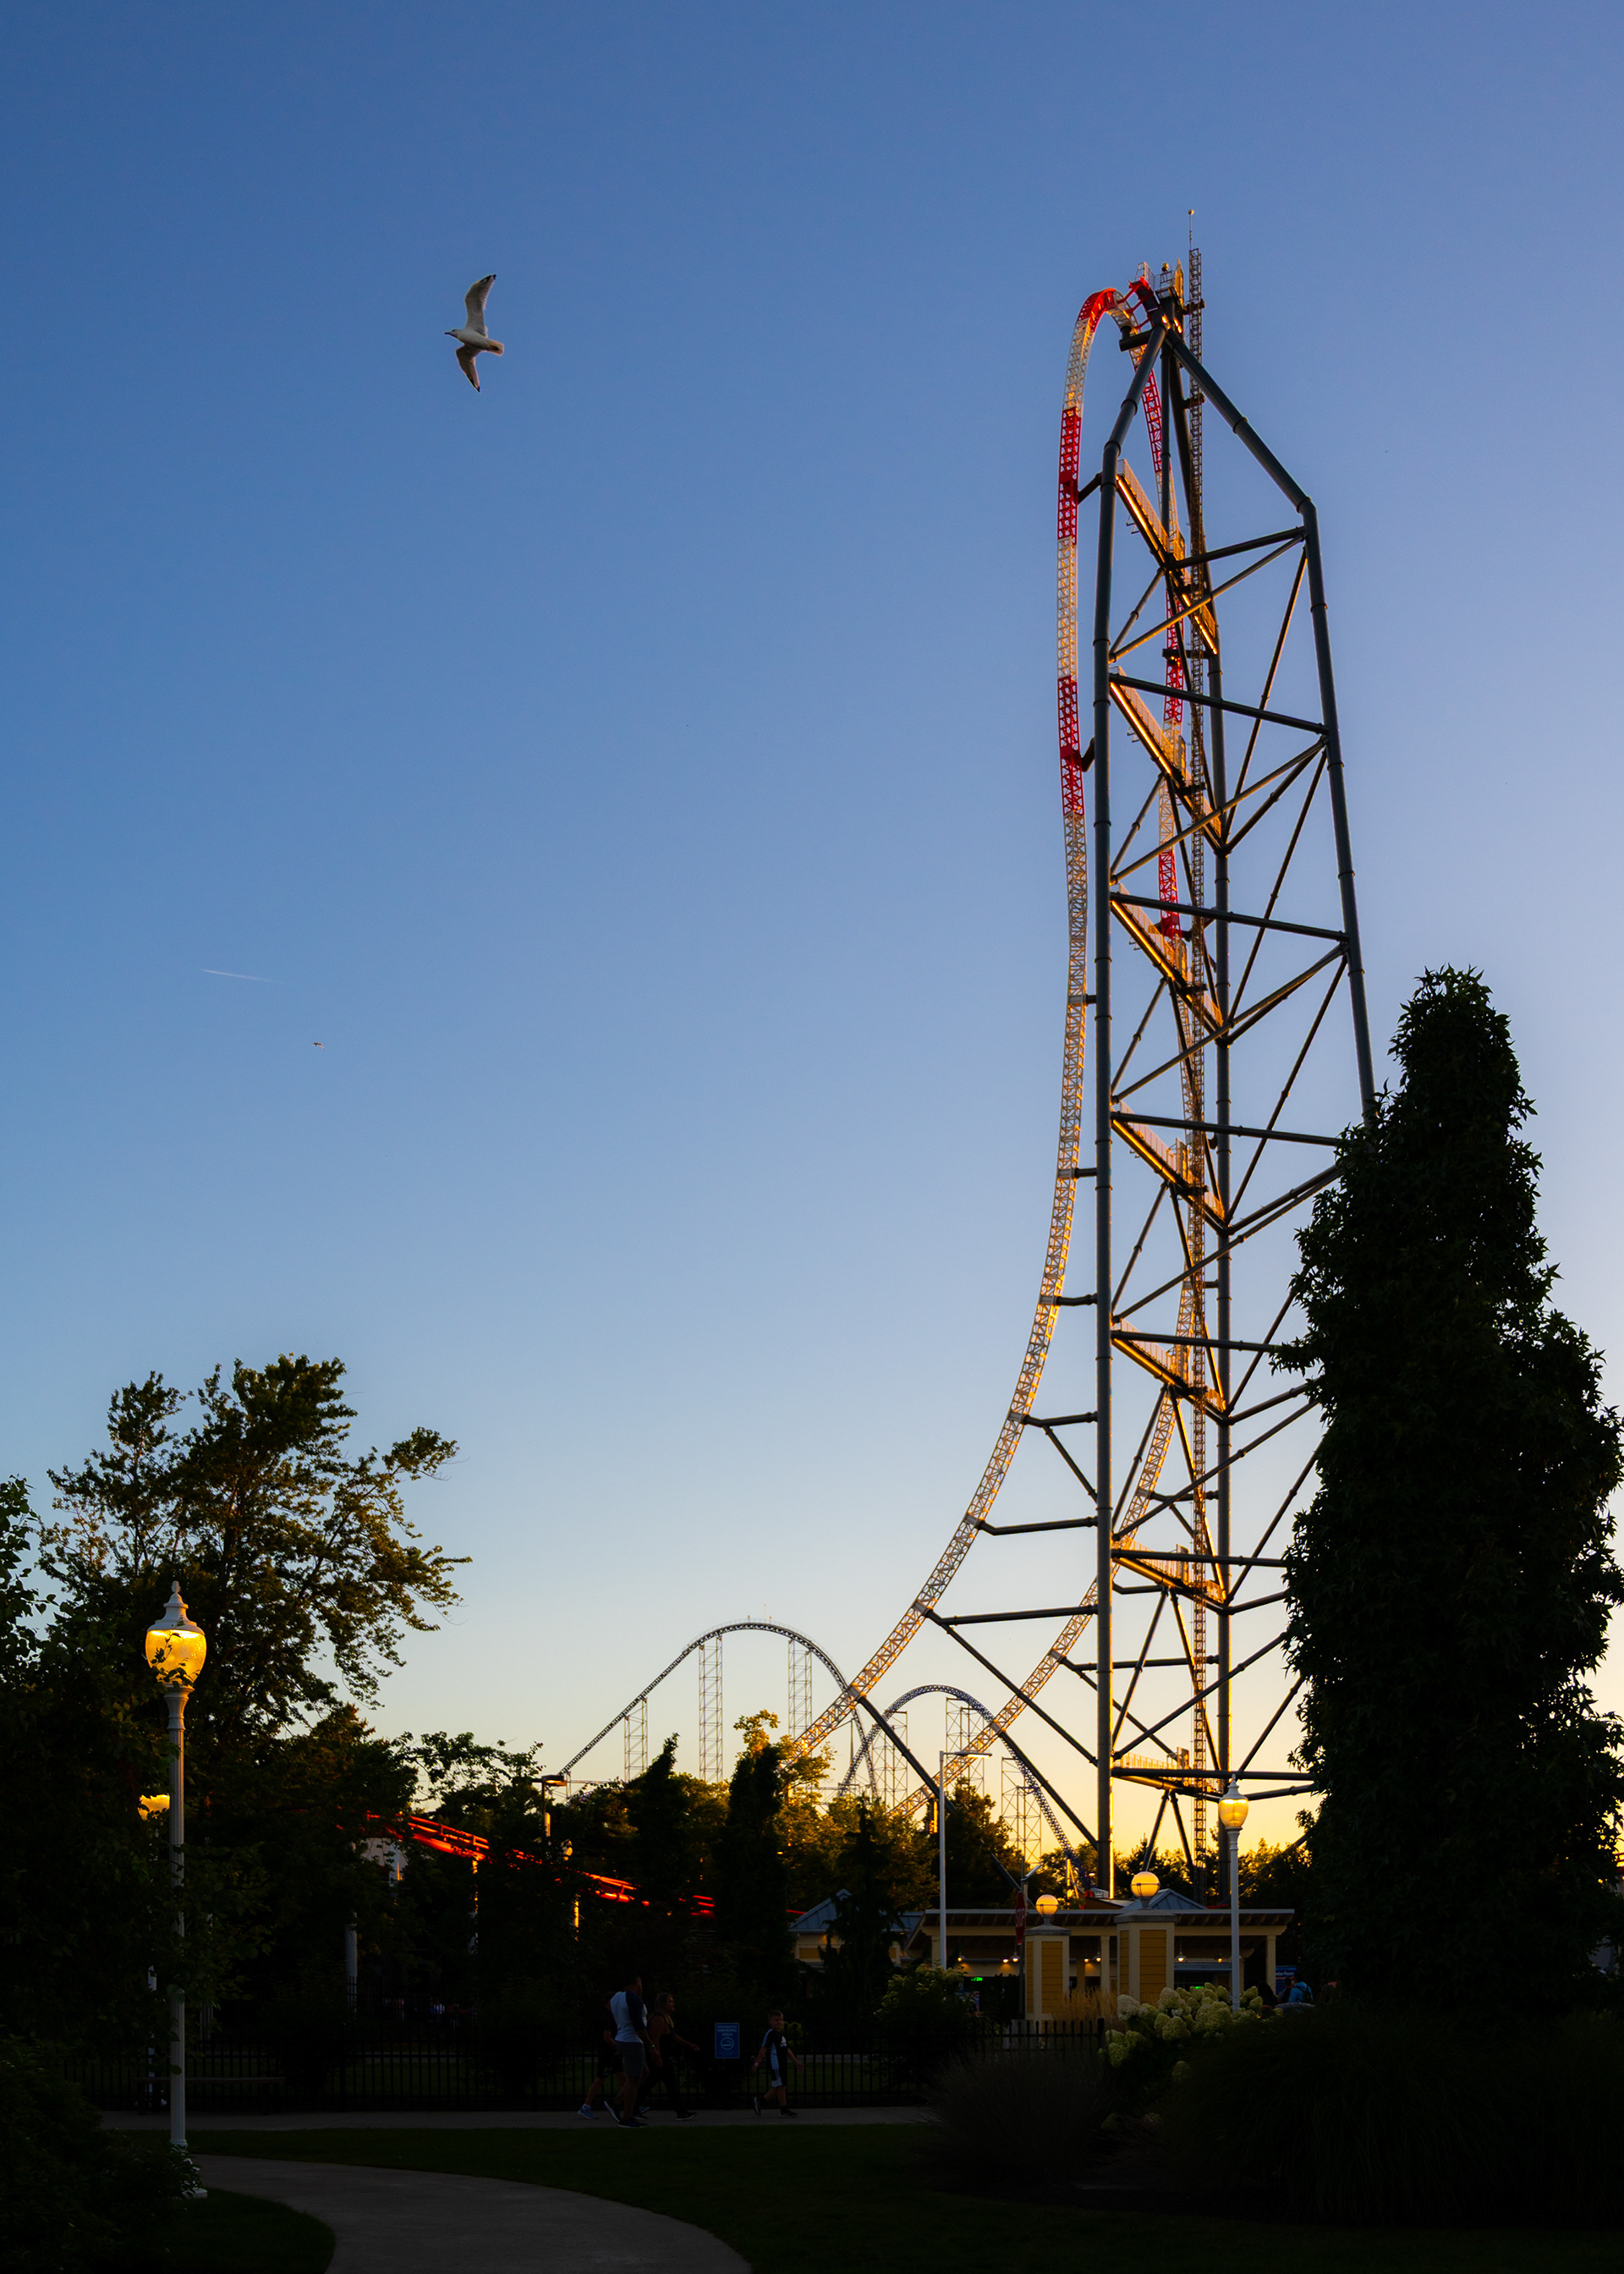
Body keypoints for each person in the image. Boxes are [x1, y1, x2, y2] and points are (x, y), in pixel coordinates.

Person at [607, 1968, 655, 2127]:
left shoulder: (615, 1998)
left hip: (621, 2039)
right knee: (634, 2079)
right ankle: (627, 2117)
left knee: (644, 2073)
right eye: (640, 1982)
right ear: (636, 1982)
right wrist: (652, 2046)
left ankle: (617, 2102)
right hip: (632, 2042)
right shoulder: (634, 1999)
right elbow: (639, 2026)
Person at [645, 1991, 699, 2121]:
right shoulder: (658, 2019)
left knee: (650, 2083)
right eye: (670, 2001)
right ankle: (681, 2112)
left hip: (661, 2057)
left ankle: (631, 2106)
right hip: (660, 2057)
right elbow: (655, 2039)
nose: (672, 2003)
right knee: (671, 2084)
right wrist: (658, 2057)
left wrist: (690, 2045)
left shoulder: (664, 2019)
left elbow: (673, 2037)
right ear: (663, 2004)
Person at [750, 2009, 804, 2117]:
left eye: (781, 2020)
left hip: (781, 2063)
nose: (779, 2022)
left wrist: (796, 2062)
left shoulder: (781, 2035)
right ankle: (784, 2110)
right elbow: (764, 2048)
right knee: (780, 2086)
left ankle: (761, 2101)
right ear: (770, 2021)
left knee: (780, 2086)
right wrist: (757, 2063)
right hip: (776, 2064)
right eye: (776, 2020)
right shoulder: (770, 2034)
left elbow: (787, 2050)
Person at [578, 1997, 621, 2116]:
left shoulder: (614, 2017)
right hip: (607, 2054)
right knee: (601, 2078)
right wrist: (617, 2046)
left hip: (612, 2054)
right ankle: (586, 2105)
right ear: (606, 2005)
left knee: (623, 2079)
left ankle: (631, 2103)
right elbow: (607, 2037)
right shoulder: (609, 2018)